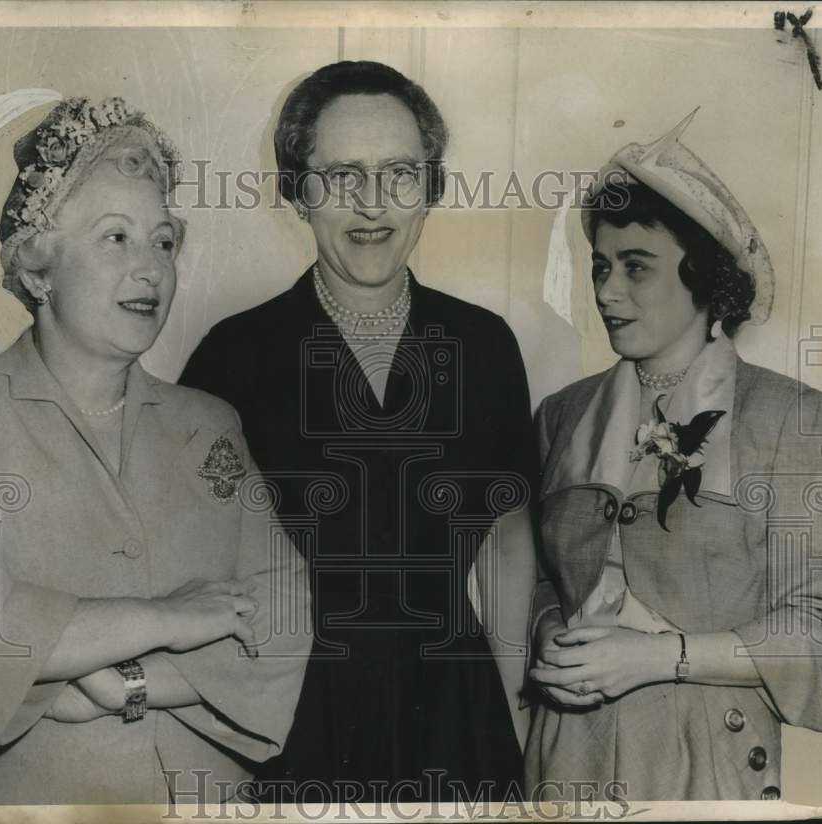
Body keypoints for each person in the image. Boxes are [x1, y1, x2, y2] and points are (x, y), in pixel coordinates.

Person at [0, 94, 311, 805]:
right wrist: (172, 618)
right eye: (115, 238)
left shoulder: (210, 422)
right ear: (38, 269)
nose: (151, 268)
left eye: (163, 242)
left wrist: (125, 681)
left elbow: (285, 615)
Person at [180, 61, 536, 802]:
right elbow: (194, 570)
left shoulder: (484, 346)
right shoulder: (233, 357)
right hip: (289, 726)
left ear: (430, 187)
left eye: (399, 174)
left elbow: (505, 549)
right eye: (342, 176)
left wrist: (513, 726)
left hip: (457, 722)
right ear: (297, 191)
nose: (372, 204)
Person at [524, 111, 822, 801]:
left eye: (636, 268)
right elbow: (537, 582)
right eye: (601, 268)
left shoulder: (791, 417)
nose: (607, 291)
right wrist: (550, 629)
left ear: (703, 276)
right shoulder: (561, 415)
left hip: (706, 763)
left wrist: (660, 658)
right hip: (563, 763)